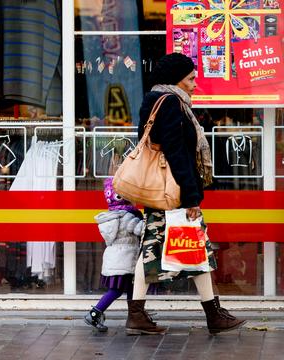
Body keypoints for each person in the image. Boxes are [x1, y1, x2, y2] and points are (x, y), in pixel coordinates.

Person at [126, 52, 246, 335]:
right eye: (191, 78)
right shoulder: (170, 104)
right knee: (191, 249)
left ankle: (139, 314)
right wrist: (191, 196)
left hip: (164, 191)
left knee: (163, 249)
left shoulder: (155, 99)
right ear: (176, 79)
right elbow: (176, 152)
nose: (195, 83)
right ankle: (211, 315)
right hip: (174, 193)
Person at [84, 178, 144, 332]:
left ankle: (135, 316)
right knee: (118, 291)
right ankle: (94, 313)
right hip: (126, 260)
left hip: (116, 260)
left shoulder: (112, 216)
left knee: (129, 289)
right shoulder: (128, 217)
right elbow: (140, 230)